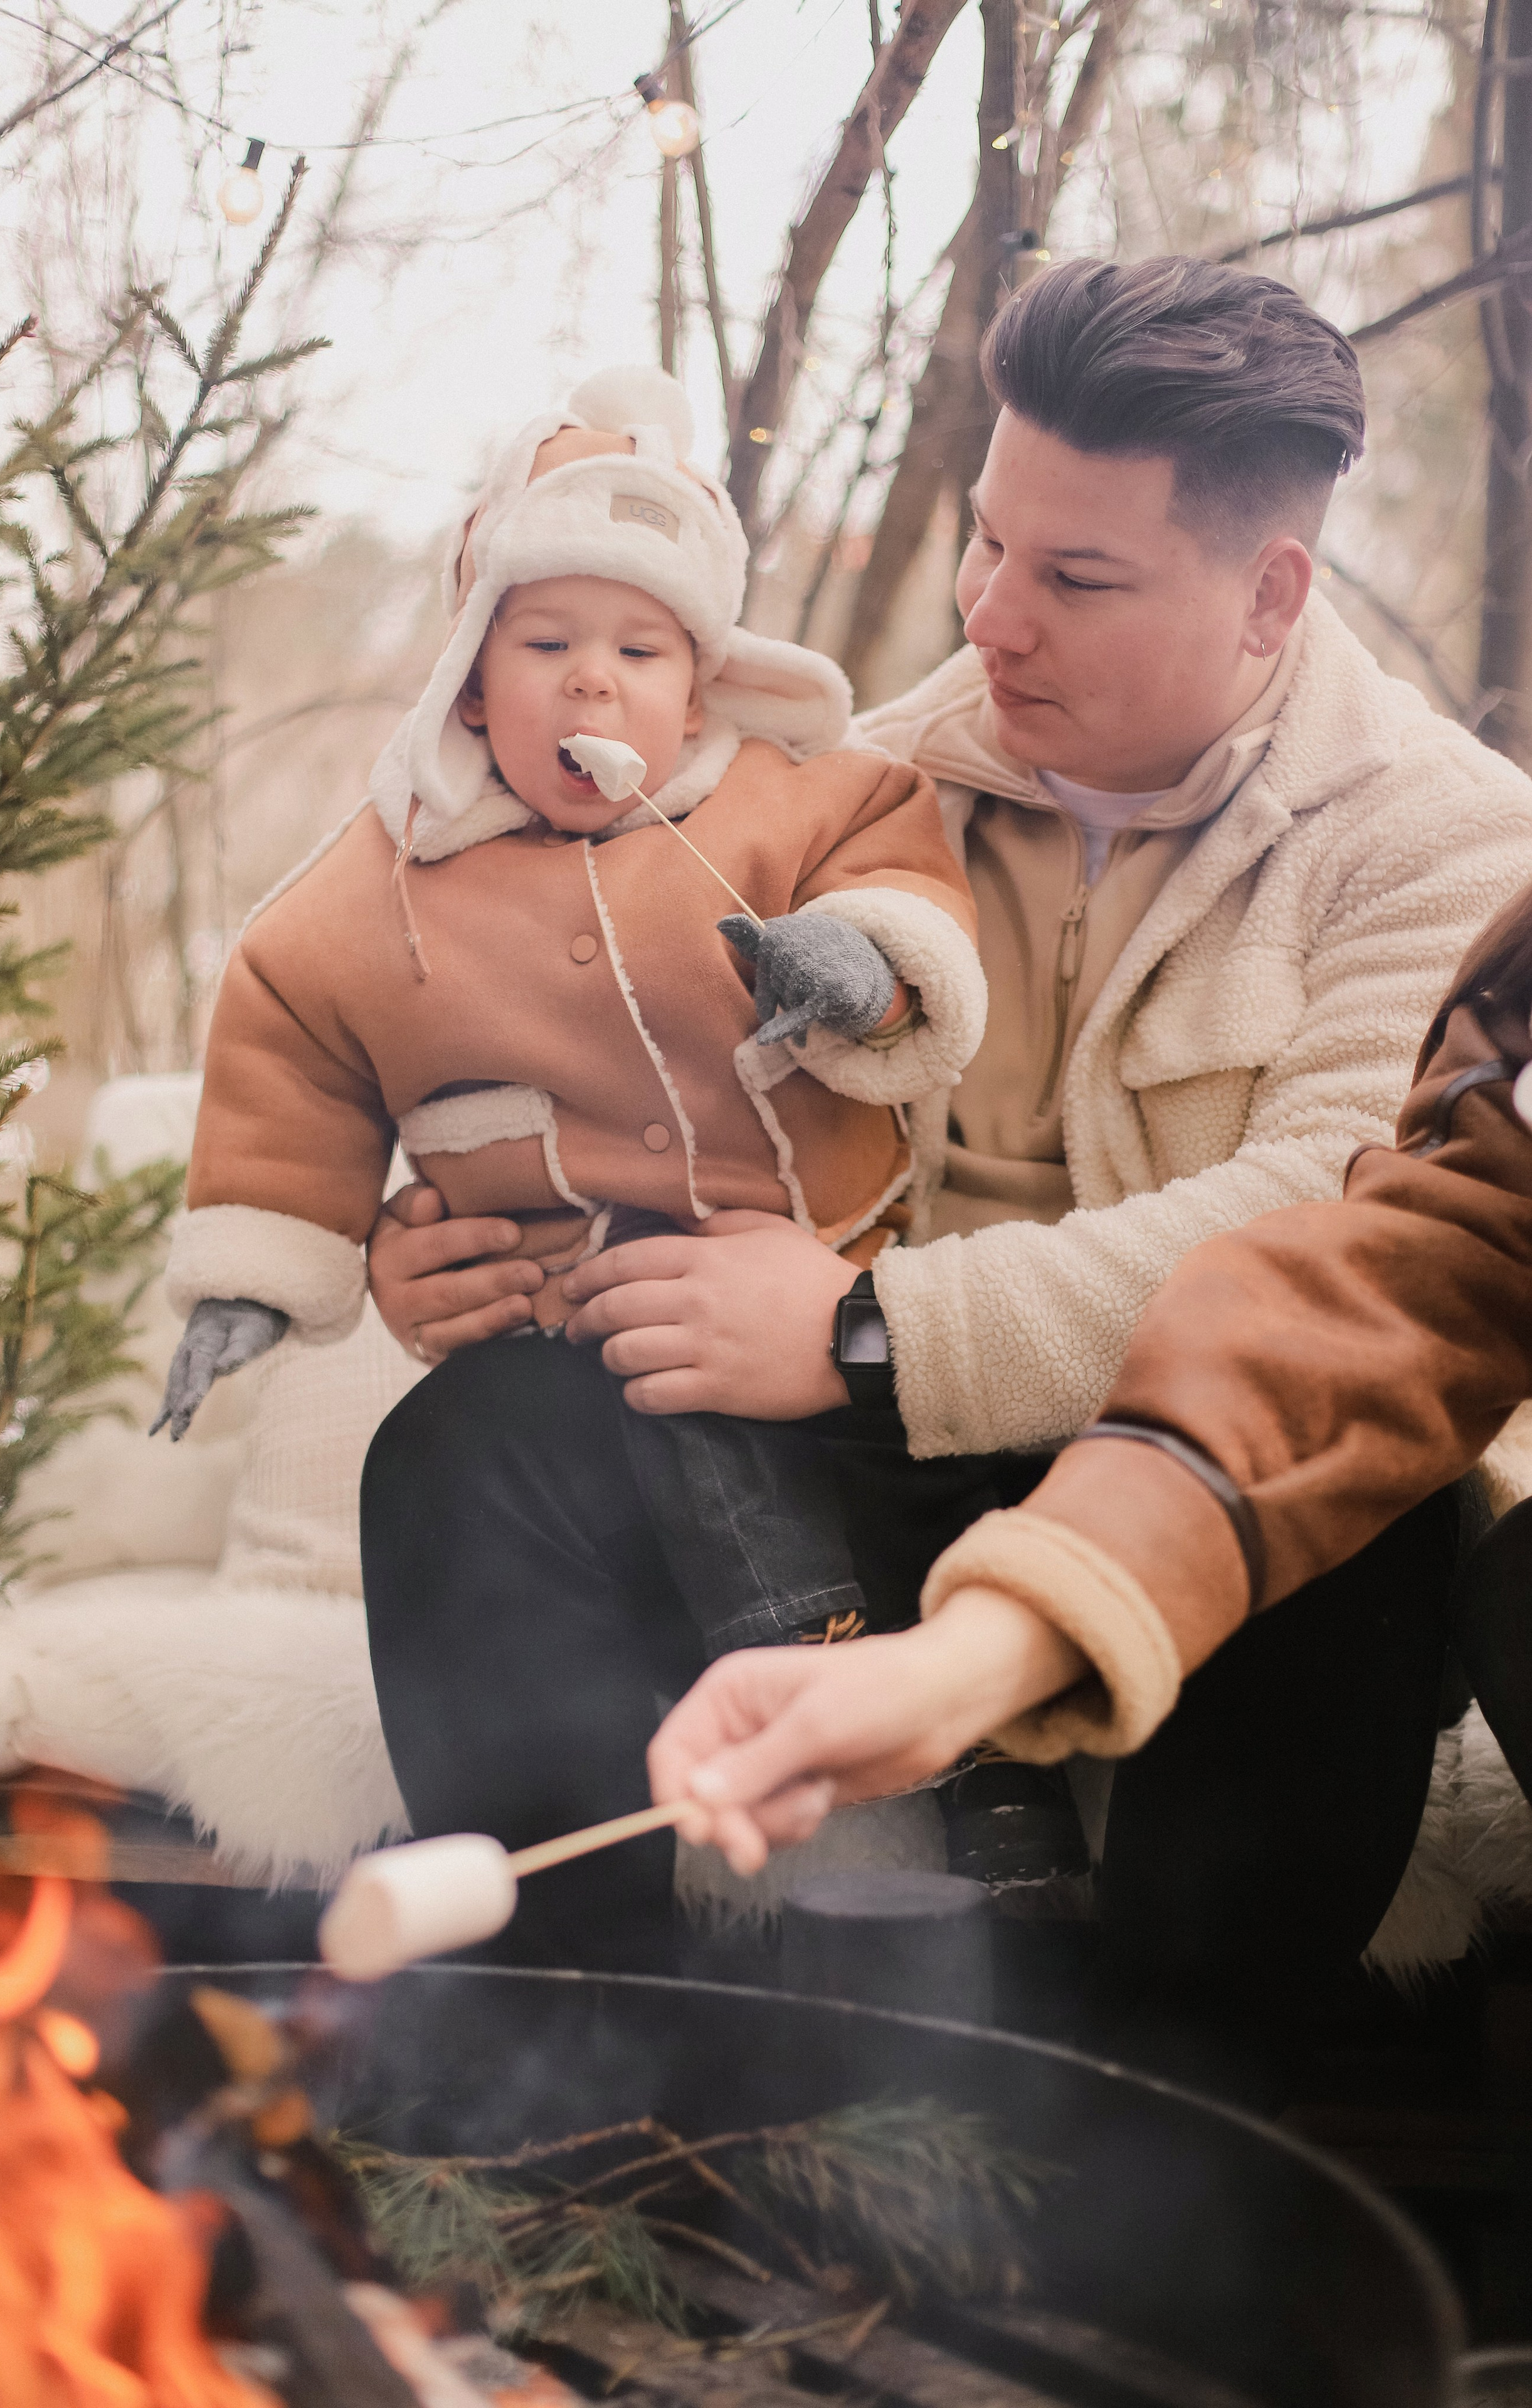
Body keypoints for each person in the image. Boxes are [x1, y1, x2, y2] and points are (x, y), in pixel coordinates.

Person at [362, 258, 1532, 2006]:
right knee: (473, 1449)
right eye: (989, 540)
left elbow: (1333, 1249)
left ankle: (1158, 2120)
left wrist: (868, 1333)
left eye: (1075, 577)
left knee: (1367, 1524)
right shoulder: (840, 788)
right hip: (832, 1478)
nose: (990, 615)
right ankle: (592, 2078)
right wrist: (474, 1237)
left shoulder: (1451, 843)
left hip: (1185, 1479)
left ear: (1270, 592)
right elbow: (612, 1080)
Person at [151, 364, 988, 1785]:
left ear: (701, 681)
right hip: (566, 1330)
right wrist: (257, 1277)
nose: (593, 678)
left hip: (822, 1294)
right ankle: (575, 1850)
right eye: (546, 641)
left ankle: (880, 1678)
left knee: (839, 1438)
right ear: (475, 679)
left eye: (640, 650)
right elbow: (288, 1041)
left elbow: (896, 870)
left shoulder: (795, 796)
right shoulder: (388, 878)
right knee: (478, 1446)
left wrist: (861, 965)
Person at [649, 880, 1532, 2017]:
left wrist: (867, 1328)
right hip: (1021, 1470)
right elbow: (1368, 1319)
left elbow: (1314, 1192)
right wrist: (963, 1665)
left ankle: (1195, 2065)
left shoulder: (1429, 829)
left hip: (1005, 1393)